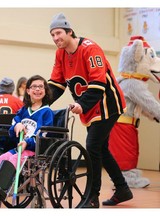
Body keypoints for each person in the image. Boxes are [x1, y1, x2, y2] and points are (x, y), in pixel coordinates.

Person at [47, 13, 133, 208]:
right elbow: (56, 84)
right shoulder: (60, 53)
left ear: (69, 31)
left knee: (92, 146)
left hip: (107, 103)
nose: (55, 38)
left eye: (58, 33)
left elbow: (98, 83)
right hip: (89, 106)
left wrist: (82, 104)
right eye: (52, 35)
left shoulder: (90, 49)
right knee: (101, 148)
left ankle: (92, 197)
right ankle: (122, 189)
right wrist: (41, 102)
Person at [0, 75, 54, 200]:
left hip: (34, 149)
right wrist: (17, 125)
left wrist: (27, 142)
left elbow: (43, 133)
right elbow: (15, 120)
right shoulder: (24, 109)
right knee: (2, 157)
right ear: (28, 91)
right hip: (20, 147)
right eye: (34, 86)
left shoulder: (46, 111)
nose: (37, 89)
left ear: (45, 90)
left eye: (41, 86)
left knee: (14, 158)